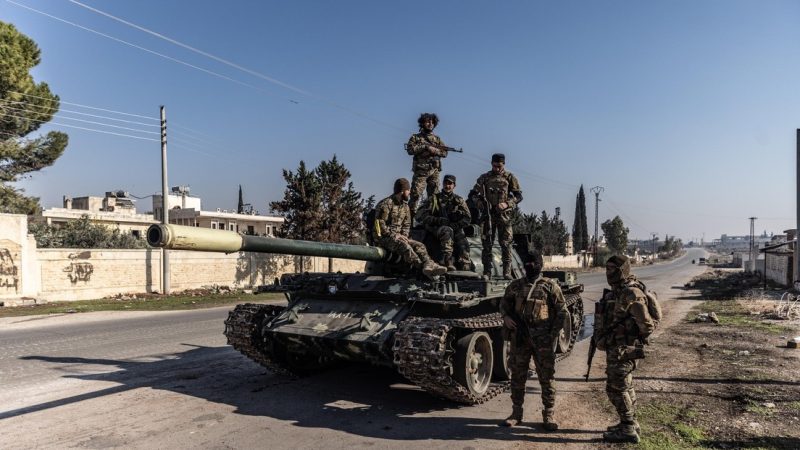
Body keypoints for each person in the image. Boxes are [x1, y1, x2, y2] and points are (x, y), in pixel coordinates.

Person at [499, 249, 567, 430]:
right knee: (517, 376)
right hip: (520, 339)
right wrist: (506, 317)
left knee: (547, 377)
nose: (530, 267)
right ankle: (516, 413)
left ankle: (549, 414)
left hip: (542, 340)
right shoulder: (515, 286)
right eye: (527, 264)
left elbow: (562, 312)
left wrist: (551, 335)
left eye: (533, 264)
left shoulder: (550, 286)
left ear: (540, 265)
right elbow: (504, 305)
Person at [597, 255, 656, 443]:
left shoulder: (631, 293)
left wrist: (631, 339)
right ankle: (630, 423)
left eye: (612, 269)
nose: (608, 272)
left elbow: (647, 326)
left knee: (615, 388)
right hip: (616, 347)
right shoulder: (617, 291)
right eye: (606, 268)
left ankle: (628, 428)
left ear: (622, 270)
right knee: (626, 386)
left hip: (624, 349)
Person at [374, 178, 447, 279]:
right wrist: (394, 235)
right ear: (402, 191)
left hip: (399, 237)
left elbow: (407, 224)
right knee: (406, 247)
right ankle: (423, 268)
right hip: (384, 238)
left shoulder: (405, 206)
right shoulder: (386, 204)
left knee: (419, 245)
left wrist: (404, 236)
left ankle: (430, 265)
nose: (409, 193)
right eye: (408, 190)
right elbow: (379, 225)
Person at [469, 153, 522, 279]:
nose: (497, 169)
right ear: (491, 164)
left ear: (503, 164)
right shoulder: (485, 178)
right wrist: (480, 204)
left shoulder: (510, 177)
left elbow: (519, 196)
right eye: (494, 166)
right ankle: (487, 272)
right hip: (488, 216)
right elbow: (472, 194)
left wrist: (507, 204)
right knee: (487, 244)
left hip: (504, 216)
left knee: (506, 244)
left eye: (499, 166)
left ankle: (507, 272)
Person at [416, 174, 472, 271]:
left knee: (462, 238)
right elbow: (422, 216)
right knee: (447, 231)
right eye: (445, 183)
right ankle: (448, 261)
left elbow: (467, 218)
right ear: (442, 184)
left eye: (450, 183)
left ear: (454, 185)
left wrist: (456, 224)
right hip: (436, 228)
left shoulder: (459, 200)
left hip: (454, 227)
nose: (447, 186)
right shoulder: (434, 199)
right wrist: (438, 220)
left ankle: (465, 264)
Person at [405, 113, 448, 217]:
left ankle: (432, 218)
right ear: (423, 123)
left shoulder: (437, 139)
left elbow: (445, 152)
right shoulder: (416, 137)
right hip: (421, 171)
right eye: (428, 122)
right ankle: (410, 220)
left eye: (432, 122)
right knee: (415, 195)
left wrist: (435, 150)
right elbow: (410, 150)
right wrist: (424, 147)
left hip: (434, 171)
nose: (430, 124)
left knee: (434, 197)